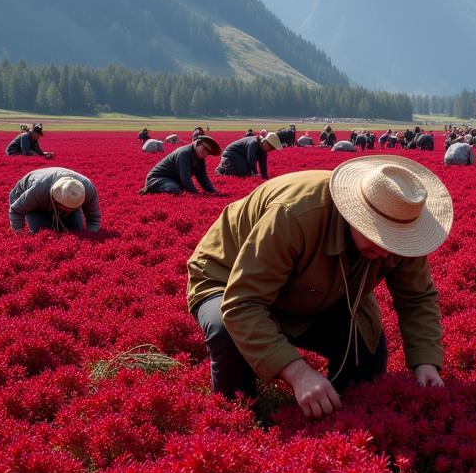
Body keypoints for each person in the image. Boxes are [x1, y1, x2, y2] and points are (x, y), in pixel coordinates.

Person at [186, 157, 453, 416]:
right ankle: (240, 418)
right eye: (380, 236)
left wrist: (426, 362)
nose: (387, 252)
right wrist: (297, 372)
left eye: (397, 242)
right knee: (226, 331)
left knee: (366, 354)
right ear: (354, 214)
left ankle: (332, 416)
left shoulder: (404, 226)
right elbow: (242, 303)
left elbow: (417, 299)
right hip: (227, 279)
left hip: (320, 289)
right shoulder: (295, 213)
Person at [9, 167, 101, 233]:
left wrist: (91, 233)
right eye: (64, 209)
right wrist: (20, 234)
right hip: (30, 199)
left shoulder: (87, 190)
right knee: (41, 231)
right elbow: (16, 210)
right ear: (56, 200)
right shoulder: (38, 190)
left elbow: (94, 218)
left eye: (71, 209)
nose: (67, 212)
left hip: (49, 196)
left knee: (76, 230)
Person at [141, 135, 221, 195]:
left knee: (177, 188)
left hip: (172, 180)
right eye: (204, 149)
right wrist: (196, 194)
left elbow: (203, 177)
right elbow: (185, 178)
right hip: (157, 179)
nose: (206, 153)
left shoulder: (200, 159)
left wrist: (213, 191)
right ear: (197, 144)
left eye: (208, 152)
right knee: (174, 189)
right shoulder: (184, 153)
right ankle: (149, 189)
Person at [217, 132, 281, 180]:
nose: (271, 150)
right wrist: (255, 173)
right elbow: (251, 158)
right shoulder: (254, 143)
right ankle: (222, 170)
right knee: (244, 170)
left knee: (247, 171)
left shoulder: (263, 149)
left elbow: (263, 164)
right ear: (266, 142)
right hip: (231, 154)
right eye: (271, 147)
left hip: (241, 157)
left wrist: (265, 177)